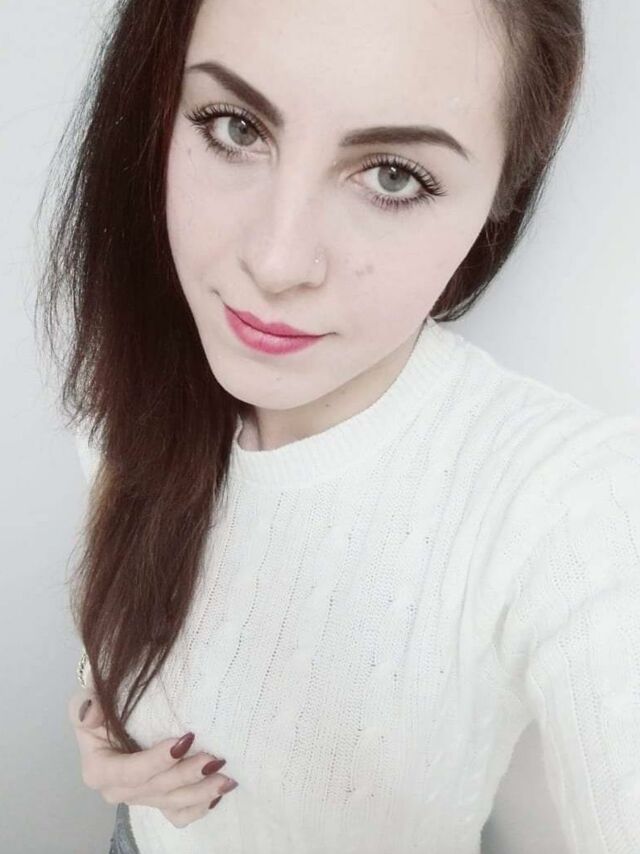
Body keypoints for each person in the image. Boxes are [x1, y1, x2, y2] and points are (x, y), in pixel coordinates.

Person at [34, 0, 640, 851]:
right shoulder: (131, 389)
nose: (276, 262)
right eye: (235, 126)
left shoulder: (564, 497)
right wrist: (105, 718)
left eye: (393, 175)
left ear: (503, 194)